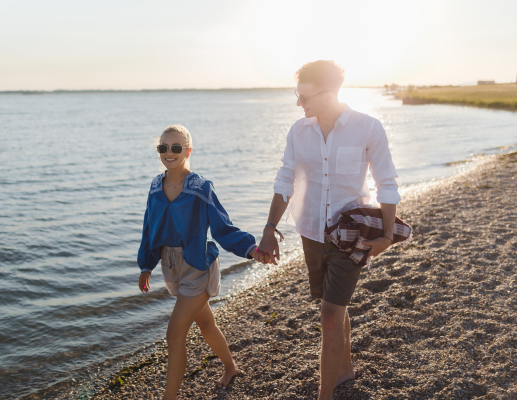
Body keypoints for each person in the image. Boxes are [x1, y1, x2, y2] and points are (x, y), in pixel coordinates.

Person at [256, 61, 401, 400]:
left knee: (329, 315)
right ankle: (345, 368)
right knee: (332, 305)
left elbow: (387, 182)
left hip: (351, 235)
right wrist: (268, 228)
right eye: (297, 95)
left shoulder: (368, 127)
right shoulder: (298, 130)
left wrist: (387, 235)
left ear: (330, 92)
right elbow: (285, 179)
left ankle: (325, 395)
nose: (298, 103)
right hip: (310, 233)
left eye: (304, 96)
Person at [137, 124, 261, 400]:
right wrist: (146, 265)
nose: (169, 153)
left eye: (176, 148)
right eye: (163, 148)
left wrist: (251, 249)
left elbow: (222, 227)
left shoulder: (201, 187)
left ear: (188, 151)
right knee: (206, 324)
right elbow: (149, 226)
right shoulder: (156, 186)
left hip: (196, 265)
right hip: (171, 266)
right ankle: (231, 367)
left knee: (174, 335)